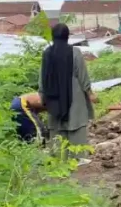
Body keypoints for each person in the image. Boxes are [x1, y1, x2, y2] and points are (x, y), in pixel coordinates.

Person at [39, 23, 98, 165]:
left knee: (57, 126)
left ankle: (59, 157)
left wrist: (42, 95)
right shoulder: (75, 52)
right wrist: (90, 93)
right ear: (67, 36)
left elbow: (42, 77)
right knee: (75, 123)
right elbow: (82, 75)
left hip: (53, 96)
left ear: (53, 36)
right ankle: (78, 157)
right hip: (74, 94)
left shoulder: (47, 53)